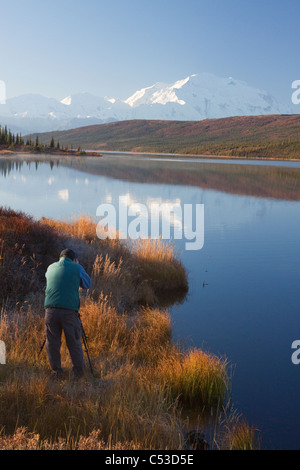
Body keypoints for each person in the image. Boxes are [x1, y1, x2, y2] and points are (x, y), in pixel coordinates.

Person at [44, 248, 92, 379]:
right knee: (74, 342)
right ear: (74, 259)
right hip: (69, 311)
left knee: (52, 342)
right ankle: (78, 373)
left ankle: (56, 373)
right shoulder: (77, 267)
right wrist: (77, 268)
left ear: (60, 258)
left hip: (50, 310)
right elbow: (87, 284)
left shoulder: (50, 268)